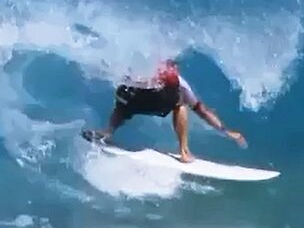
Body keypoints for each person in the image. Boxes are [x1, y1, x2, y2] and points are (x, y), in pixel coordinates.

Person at [87, 59, 246, 163]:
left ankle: (107, 132)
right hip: (157, 101)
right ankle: (184, 151)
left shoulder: (139, 69)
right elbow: (201, 110)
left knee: (124, 94)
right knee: (181, 103)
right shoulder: (179, 82)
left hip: (132, 99)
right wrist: (226, 131)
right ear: (174, 68)